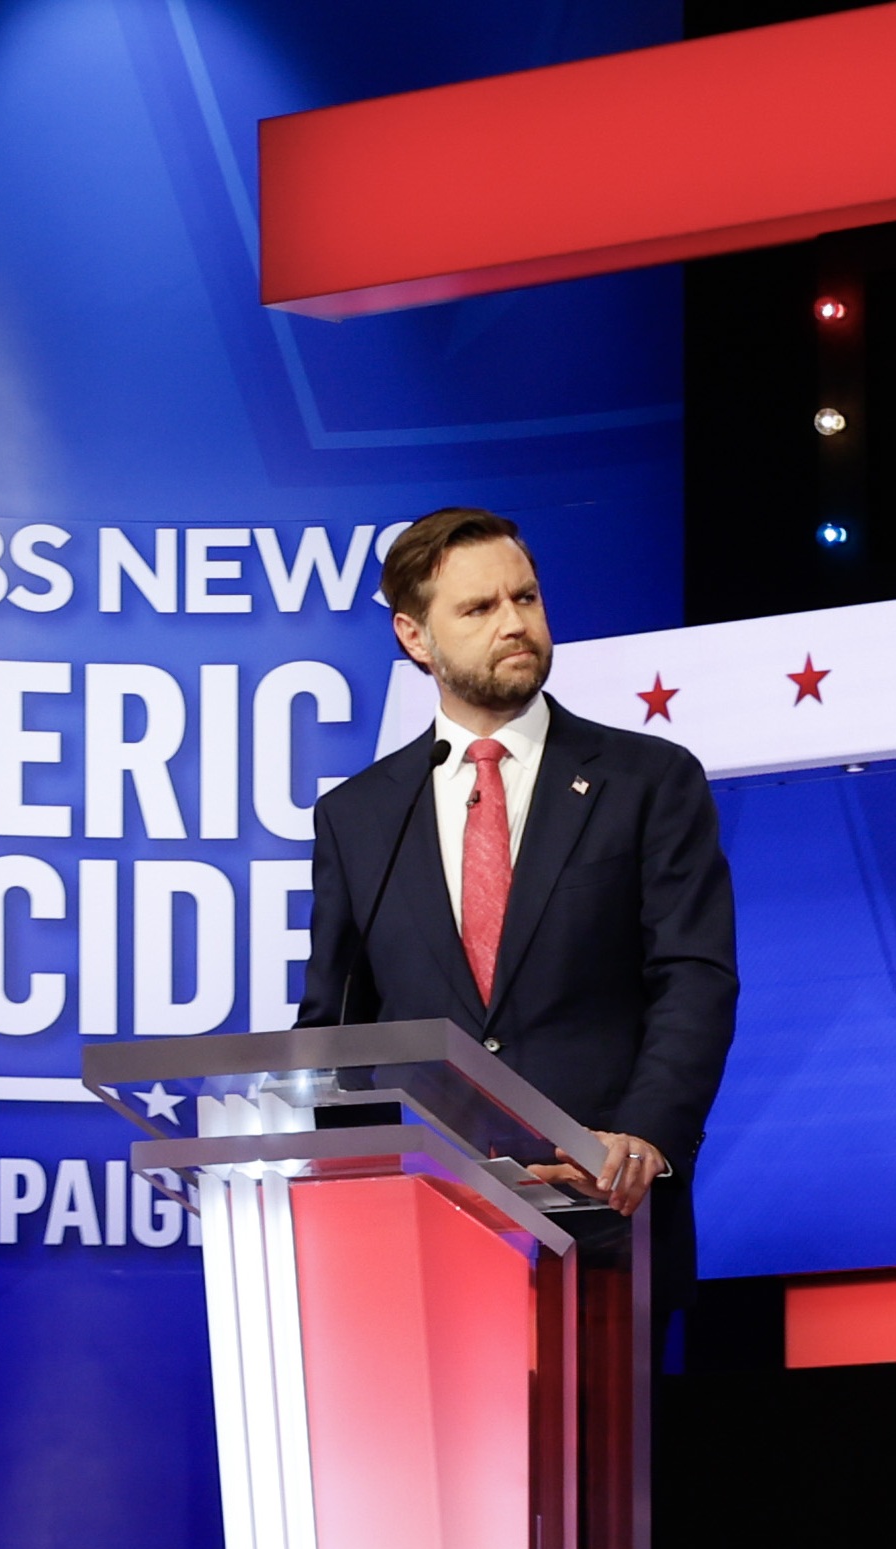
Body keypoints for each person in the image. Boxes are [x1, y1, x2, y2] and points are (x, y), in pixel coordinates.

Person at [305, 508, 738, 1254]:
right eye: (479, 608)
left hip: (606, 1214)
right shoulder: (359, 815)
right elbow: (335, 1030)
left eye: (526, 598)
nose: (514, 623)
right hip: (419, 1231)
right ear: (415, 637)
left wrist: (642, 1136)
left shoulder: (647, 781)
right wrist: (346, 1189)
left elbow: (693, 977)